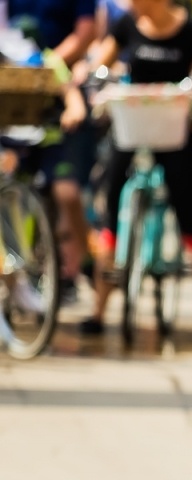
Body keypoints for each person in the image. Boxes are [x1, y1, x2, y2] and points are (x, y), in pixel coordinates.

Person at [76, 0, 192, 338]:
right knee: (112, 216)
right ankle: (98, 312)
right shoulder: (126, 25)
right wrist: (92, 76)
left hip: (173, 132)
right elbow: (99, 63)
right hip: (132, 128)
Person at [12, 0, 96, 301]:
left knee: (66, 193)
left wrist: (38, 69)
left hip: (57, 114)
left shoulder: (45, 59)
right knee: (16, 195)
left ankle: (81, 262)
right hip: (16, 123)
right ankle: (21, 275)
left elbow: (84, 34)